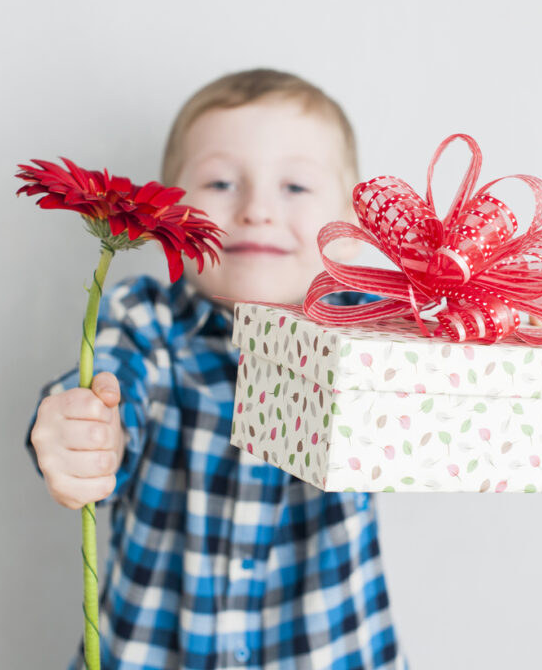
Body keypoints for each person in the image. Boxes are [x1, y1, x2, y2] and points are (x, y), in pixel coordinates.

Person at [26, 68, 407, 670]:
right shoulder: (146, 322)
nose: (256, 210)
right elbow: (109, 382)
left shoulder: (375, 335)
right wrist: (85, 431)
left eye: (297, 187)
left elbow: (454, 372)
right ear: (166, 214)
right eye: (222, 181)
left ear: (355, 227)